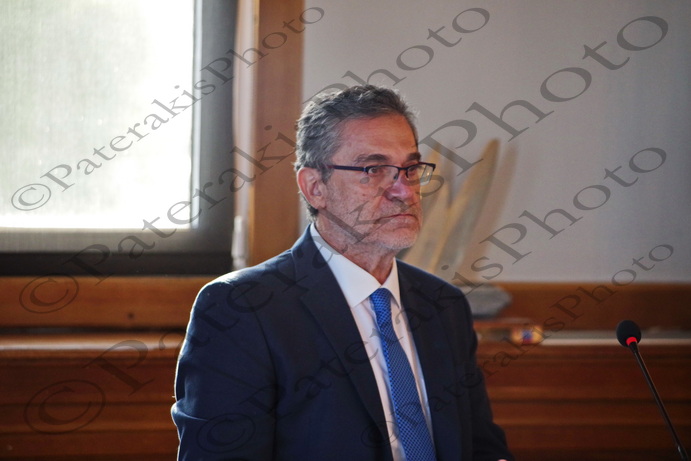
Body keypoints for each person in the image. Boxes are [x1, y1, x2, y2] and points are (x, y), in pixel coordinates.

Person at [172, 85, 513, 461]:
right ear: (315, 187)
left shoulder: (444, 305)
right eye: (374, 170)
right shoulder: (242, 308)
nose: (404, 191)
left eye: (411, 169)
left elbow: (482, 447)